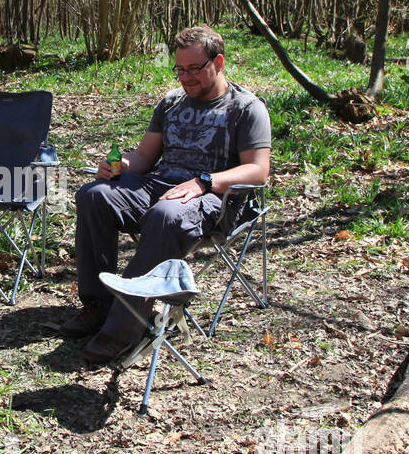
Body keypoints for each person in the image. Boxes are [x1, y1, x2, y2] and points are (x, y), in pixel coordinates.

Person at [61, 25, 272, 363]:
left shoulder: (246, 108)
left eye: (194, 69)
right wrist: (117, 165)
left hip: (215, 198)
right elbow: (144, 158)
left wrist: (204, 181)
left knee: (165, 214)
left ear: (218, 62)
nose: (186, 78)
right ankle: (98, 305)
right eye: (180, 69)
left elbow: (258, 171)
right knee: (94, 195)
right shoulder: (171, 103)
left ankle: (122, 326)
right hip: (163, 185)